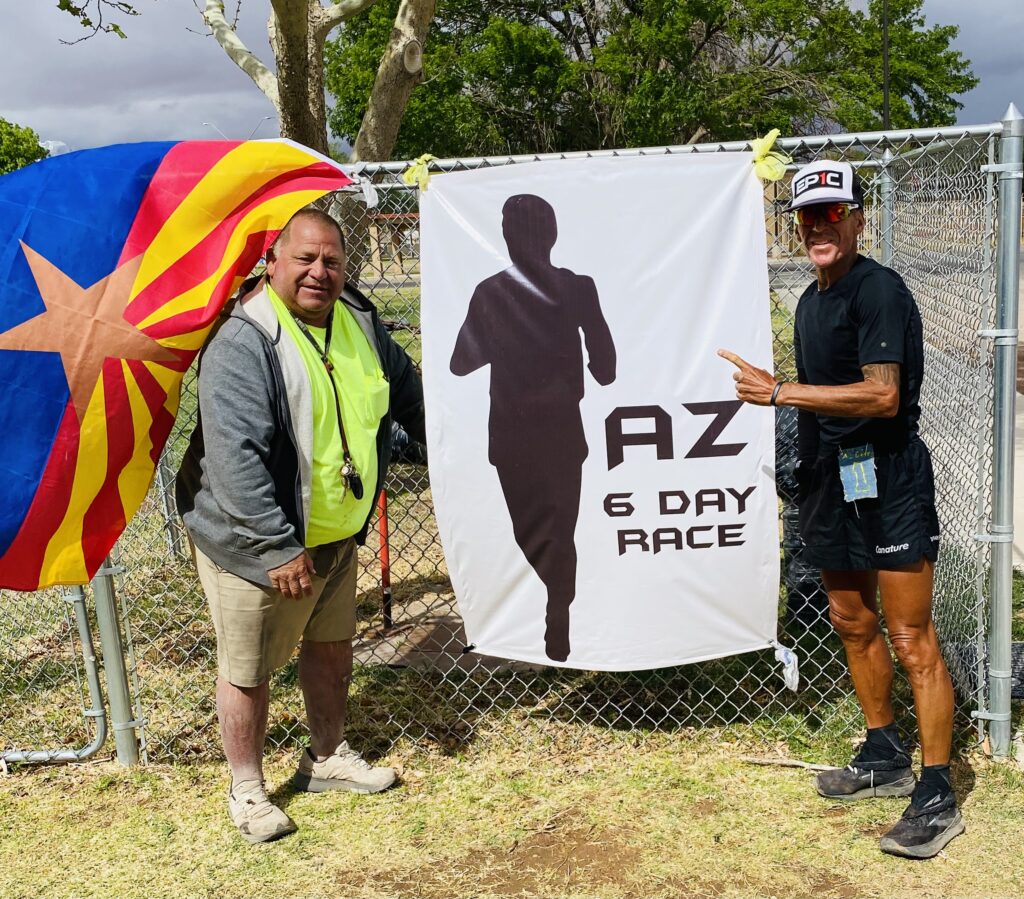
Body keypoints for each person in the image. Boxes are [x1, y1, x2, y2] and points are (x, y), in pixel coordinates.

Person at [719, 160, 962, 859]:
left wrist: (783, 394)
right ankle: (885, 751)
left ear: (858, 219)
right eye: (808, 216)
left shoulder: (878, 290)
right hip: (837, 477)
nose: (820, 226)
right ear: (796, 226)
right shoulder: (809, 300)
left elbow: (882, 394)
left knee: (912, 636)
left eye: (834, 213)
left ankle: (939, 793)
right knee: (851, 621)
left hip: (889, 476)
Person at [176, 208, 425, 844]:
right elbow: (235, 461)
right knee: (249, 666)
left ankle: (326, 757)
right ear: (272, 262)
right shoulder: (243, 339)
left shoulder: (360, 322)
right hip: (258, 543)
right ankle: (248, 787)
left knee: (332, 645)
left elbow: (411, 397)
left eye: (333, 261)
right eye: (305, 259)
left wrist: (454, 449)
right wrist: (274, 547)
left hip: (336, 529)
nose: (320, 273)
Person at [450, 194, 616, 662]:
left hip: (529, 434)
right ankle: (558, 601)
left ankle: (557, 616)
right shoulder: (497, 293)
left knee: (546, 532)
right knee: (549, 532)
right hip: (538, 435)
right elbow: (461, 363)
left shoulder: (556, 289)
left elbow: (605, 364)